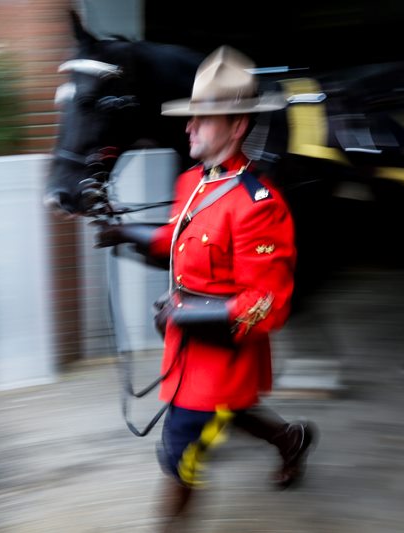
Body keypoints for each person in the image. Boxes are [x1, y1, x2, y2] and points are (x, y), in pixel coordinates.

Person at [94, 45, 317, 528]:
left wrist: (185, 315)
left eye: (203, 118)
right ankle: (290, 440)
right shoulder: (193, 181)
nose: (189, 127)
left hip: (222, 363)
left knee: (179, 455)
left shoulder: (259, 204)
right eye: (189, 116)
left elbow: (268, 304)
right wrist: (121, 231)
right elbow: (176, 239)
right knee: (230, 416)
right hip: (184, 353)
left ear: (237, 126)